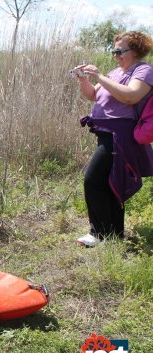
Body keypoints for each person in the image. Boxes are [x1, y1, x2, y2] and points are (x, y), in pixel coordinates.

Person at [72, 31, 153, 247]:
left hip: (120, 136)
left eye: (119, 51)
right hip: (106, 133)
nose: (115, 55)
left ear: (134, 51)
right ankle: (114, 234)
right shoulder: (117, 72)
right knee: (110, 183)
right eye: (114, 51)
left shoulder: (143, 71)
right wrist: (84, 79)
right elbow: (93, 95)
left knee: (93, 180)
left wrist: (100, 77)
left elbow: (131, 95)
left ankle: (98, 233)